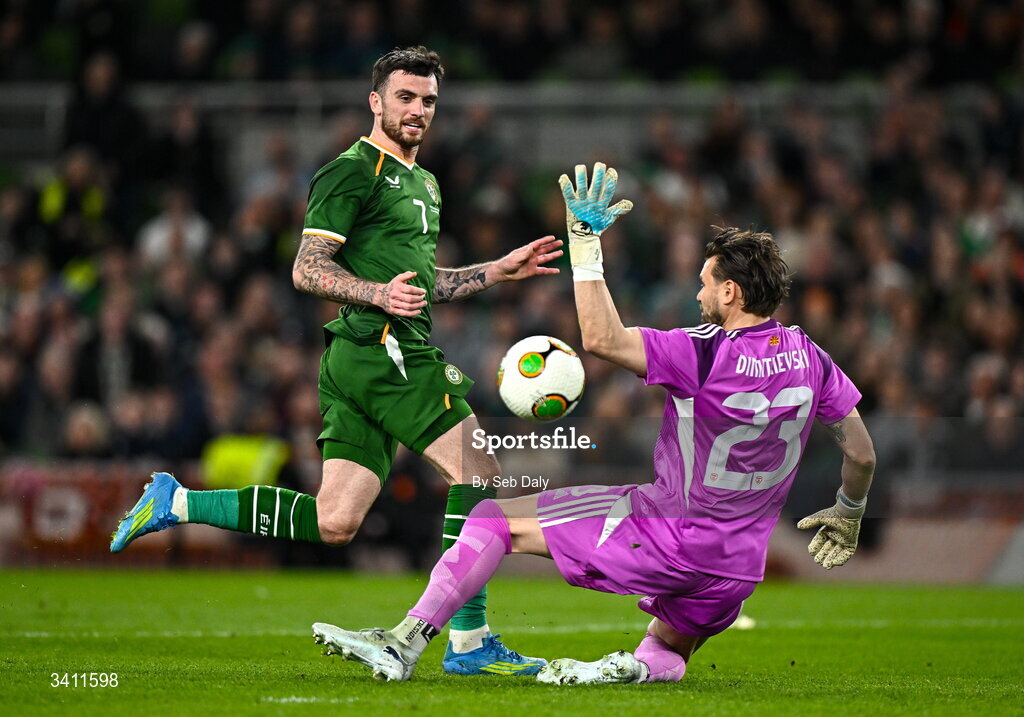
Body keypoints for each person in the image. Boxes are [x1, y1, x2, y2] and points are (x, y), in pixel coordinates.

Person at [311, 163, 875, 683]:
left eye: (706, 283)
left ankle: (405, 642)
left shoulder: (704, 351)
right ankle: (632, 670)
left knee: (490, 518)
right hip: (737, 569)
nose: (699, 292)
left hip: (668, 532)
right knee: (669, 649)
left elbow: (603, 339)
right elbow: (861, 453)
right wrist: (848, 515)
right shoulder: (812, 357)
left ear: (731, 291)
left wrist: (585, 243)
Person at [109, 46, 563, 677]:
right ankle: (468, 639)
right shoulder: (352, 171)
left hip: (359, 359)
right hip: (384, 349)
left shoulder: (424, 182)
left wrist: (496, 270)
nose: (417, 111)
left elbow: (423, 281)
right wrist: (377, 295)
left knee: (336, 520)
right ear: (376, 101)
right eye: (405, 97)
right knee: (477, 468)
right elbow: (307, 268)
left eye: (428, 100)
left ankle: (177, 503)